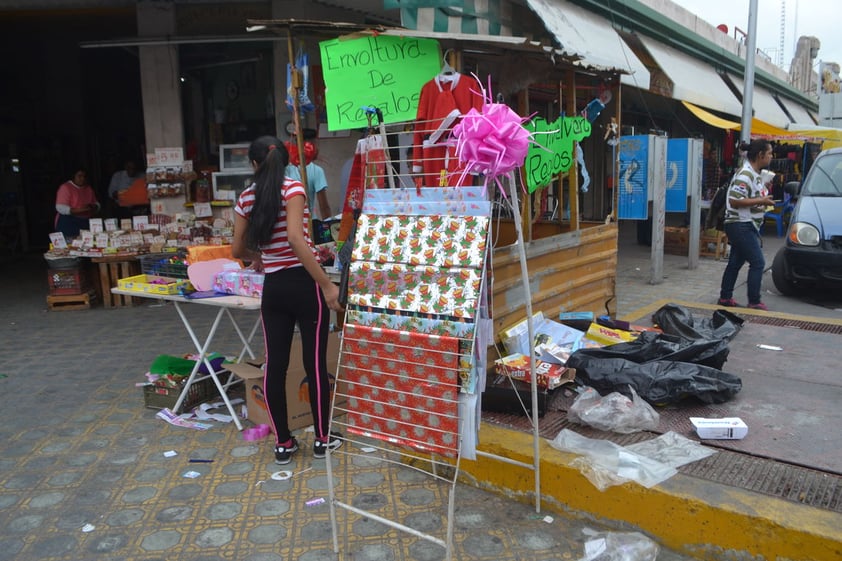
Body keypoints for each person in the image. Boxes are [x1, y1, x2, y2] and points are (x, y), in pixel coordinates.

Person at [232, 135, 343, 465]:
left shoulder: (246, 197)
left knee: (275, 365)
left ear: (254, 164)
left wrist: (261, 256)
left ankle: (283, 443)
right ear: (287, 162)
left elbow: (236, 250)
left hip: (274, 289)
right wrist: (326, 285)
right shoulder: (294, 189)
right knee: (314, 363)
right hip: (305, 285)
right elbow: (297, 239)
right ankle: (323, 439)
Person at [717, 139, 776, 311]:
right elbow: (735, 200)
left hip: (746, 224)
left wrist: (763, 192)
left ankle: (725, 297)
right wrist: (761, 200)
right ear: (760, 155)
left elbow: (750, 197)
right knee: (758, 262)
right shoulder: (745, 174)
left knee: (735, 262)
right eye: (770, 153)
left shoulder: (755, 174)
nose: (772, 156)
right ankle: (754, 301)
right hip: (741, 225)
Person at [285, 139, 332, 221]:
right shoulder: (317, 170)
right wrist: (329, 227)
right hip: (309, 221)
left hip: (290, 221)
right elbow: (324, 207)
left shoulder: (286, 169)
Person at [54, 167, 100, 239]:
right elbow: (60, 208)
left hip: (84, 223)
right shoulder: (65, 187)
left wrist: (93, 207)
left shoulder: (88, 188)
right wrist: (81, 210)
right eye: (79, 176)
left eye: (84, 176)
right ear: (73, 176)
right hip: (69, 223)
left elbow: (96, 204)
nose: (82, 179)